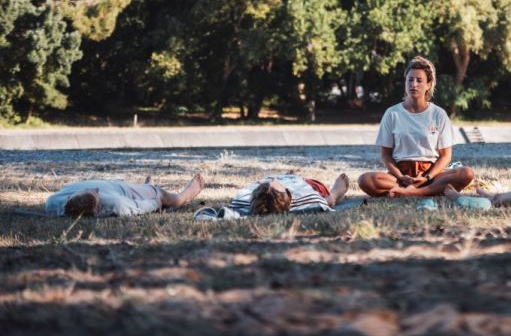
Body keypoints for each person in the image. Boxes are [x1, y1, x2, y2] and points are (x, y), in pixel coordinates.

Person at [357, 56, 474, 198]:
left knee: (466, 173)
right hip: (400, 177)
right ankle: (407, 189)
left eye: (419, 80)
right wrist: (400, 176)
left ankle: (414, 192)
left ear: (429, 84)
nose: (414, 84)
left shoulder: (439, 114)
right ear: (405, 82)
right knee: (365, 180)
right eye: (410, 80)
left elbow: (445, 156)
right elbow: (385, 155)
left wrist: (427, 177)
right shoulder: (392, 113)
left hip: (431, 177)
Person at [194, 173, 350, 220]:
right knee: (324, 192)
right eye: (277, 184)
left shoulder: (242, 199)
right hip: (303, 183)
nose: (274, 181)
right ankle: (336, 191)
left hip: (284, 186)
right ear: (288, 195)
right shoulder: (306, 198)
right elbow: (326, 204)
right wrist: (334, 195)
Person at [45, 174, 205, 217]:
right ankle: (181, 197)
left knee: (147, 189)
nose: (95, 189)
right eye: (95, 192)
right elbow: (139, 207)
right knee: (161, 194)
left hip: (114, 185)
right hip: (125, 191)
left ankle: (147, 187)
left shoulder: (52, 202)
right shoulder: (114, 203)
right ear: (98, 205)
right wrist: (157, 201)